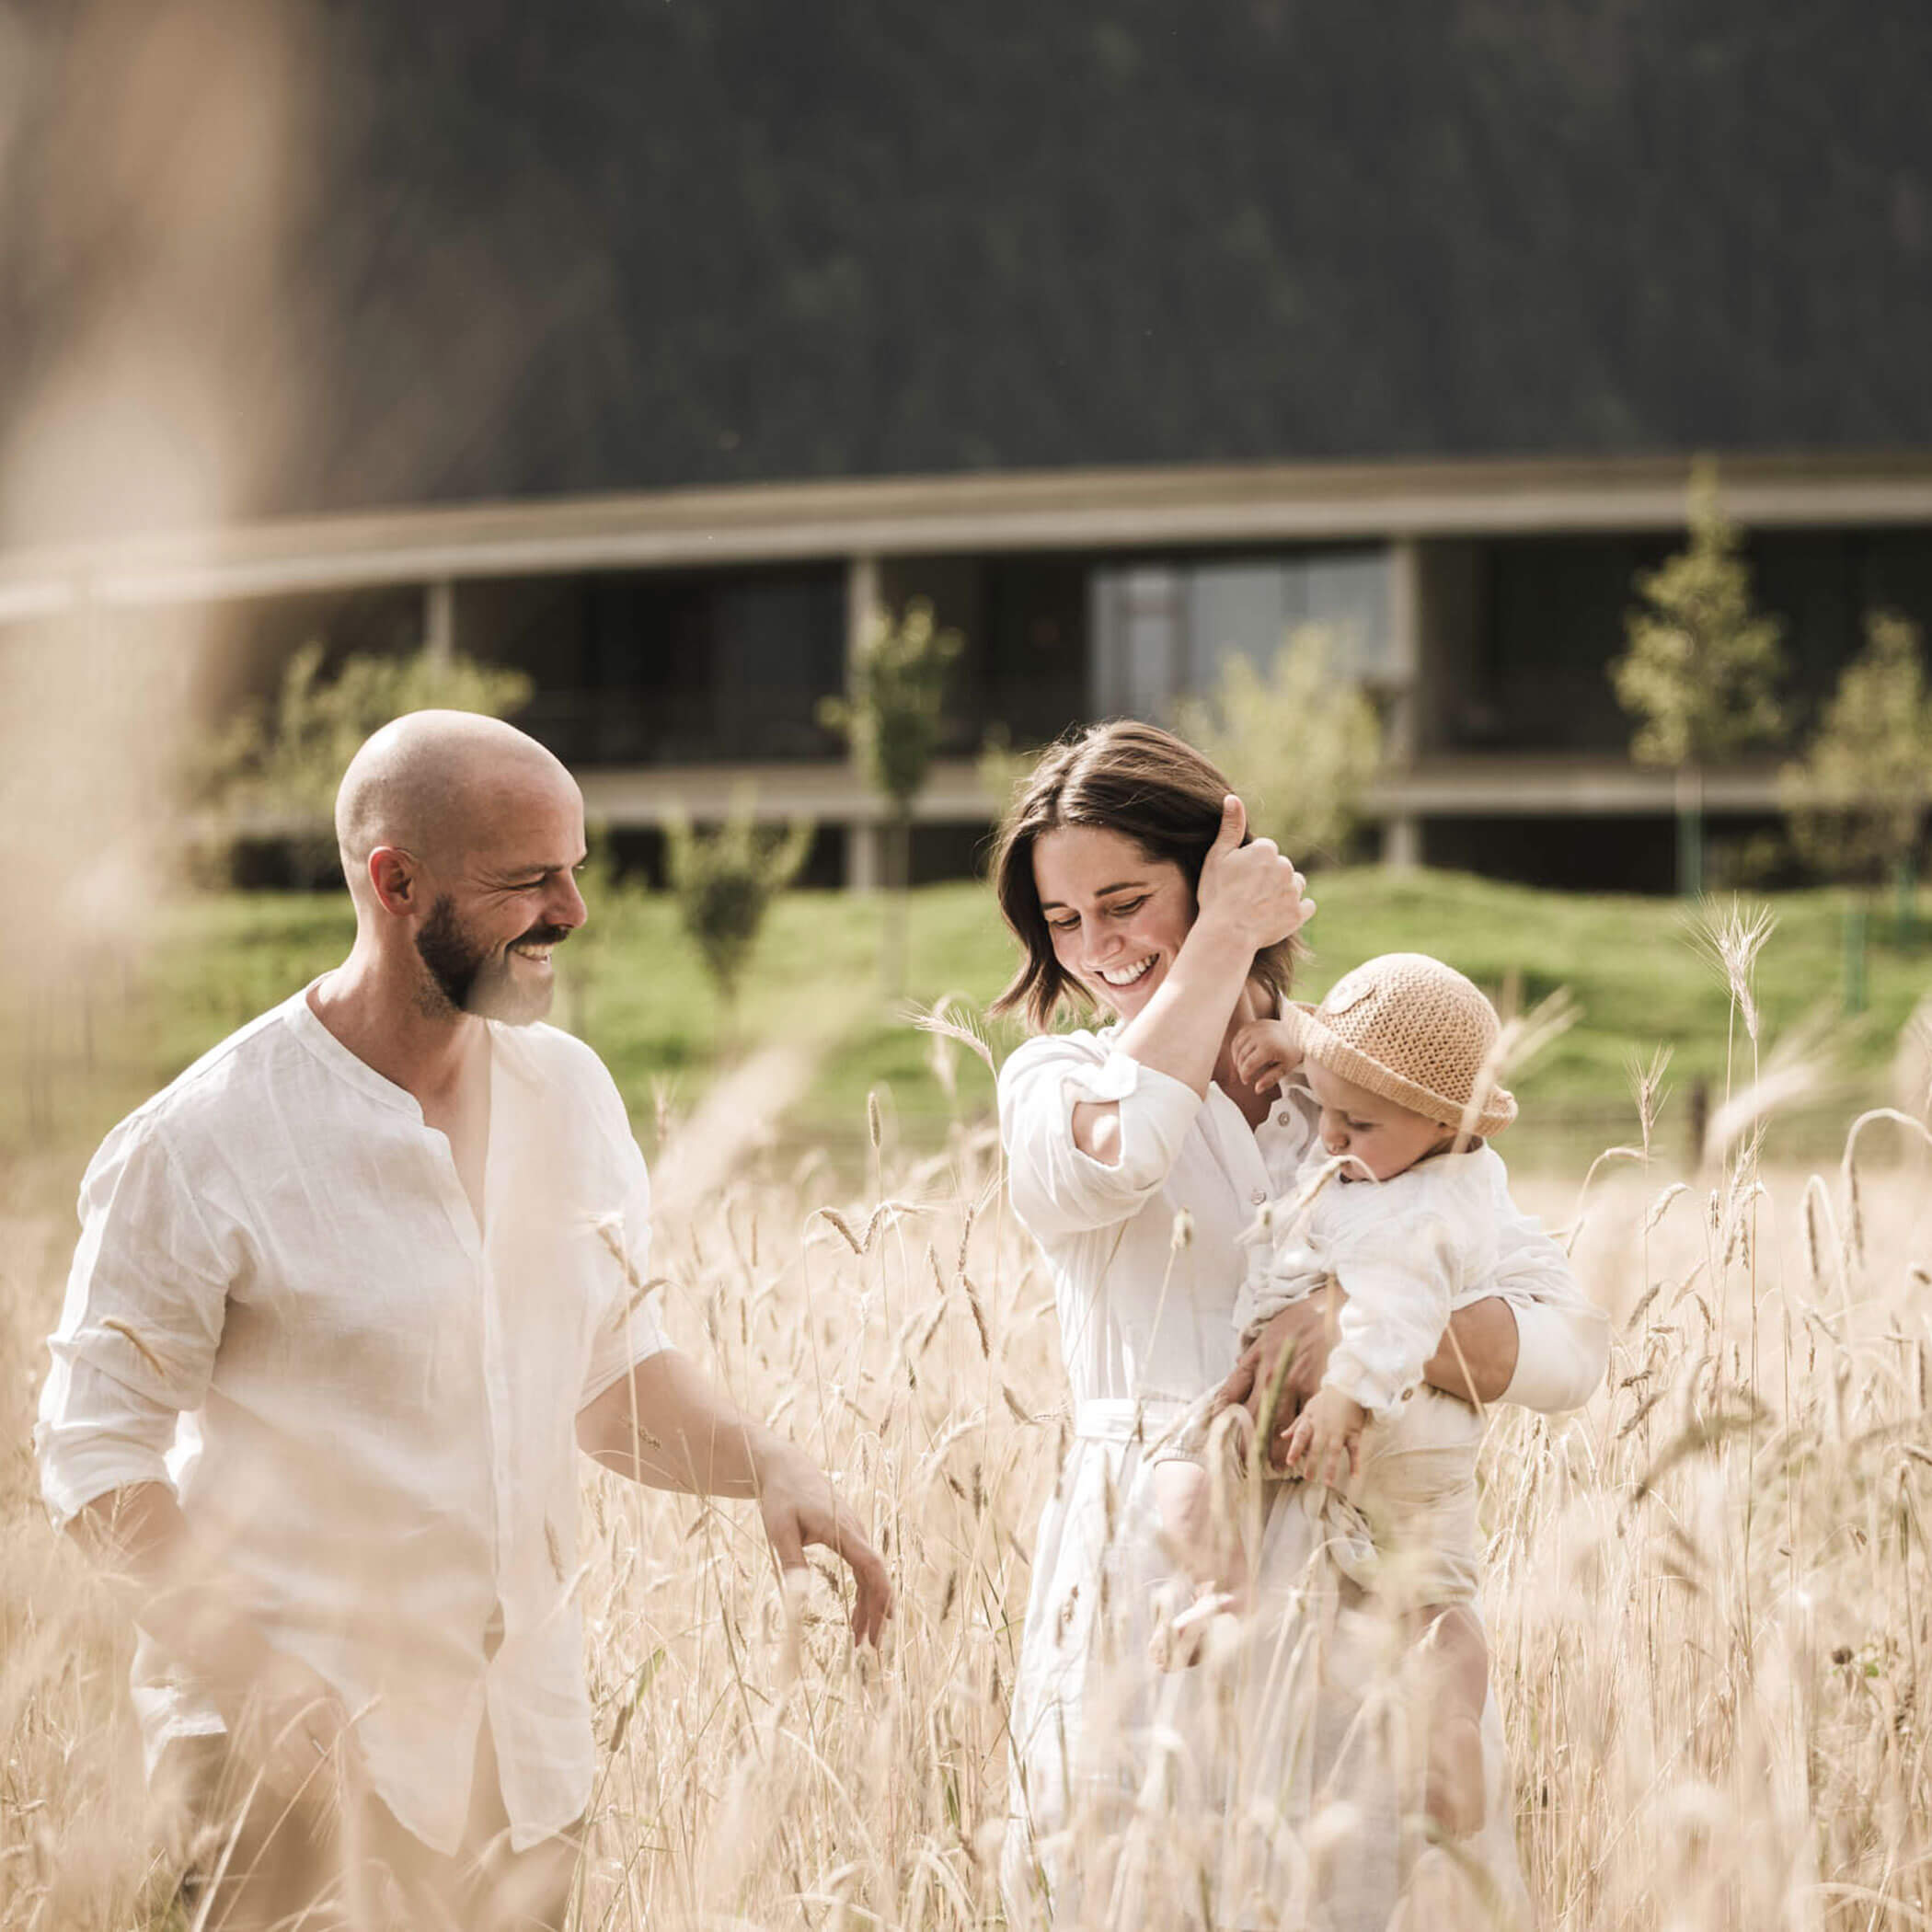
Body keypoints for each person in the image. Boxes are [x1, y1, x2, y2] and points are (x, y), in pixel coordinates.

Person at [36, 710, 891, 1930]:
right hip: (282, 1777)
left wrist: (774, 1468)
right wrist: (256, 1675)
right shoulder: (203, 1142)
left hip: (523, 1764)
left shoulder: (575, 1095)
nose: (573, 910)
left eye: (575, 869)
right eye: (528, 880)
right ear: (396, 883)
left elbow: (605, 1377)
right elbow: (93, 1452)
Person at [988, 721, 1608, 1931]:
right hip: (1165, 1573)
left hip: (1373, 1567)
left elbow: (1568, 1346)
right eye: (1064, 921)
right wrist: (1215, 944)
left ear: (1212, 866)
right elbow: (1128, 1158)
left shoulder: (1374, 1084)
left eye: (1126, 902)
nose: (1099, 948)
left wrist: (1355, 1322)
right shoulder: (1057, 1083)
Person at [1151, 951, 1532, 1843]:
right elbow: (1356, 1082)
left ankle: (1224, 1590)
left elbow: (1395, 1315)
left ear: (1443, 1125)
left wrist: (1344, 1403)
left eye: (1355, 1123)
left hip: (1379, 1409)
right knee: (1436, 1600)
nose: (1328, 1138)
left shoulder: (1415, 1214)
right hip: (1406, 1431)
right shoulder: (1419, 1154)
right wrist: (1297, 1044)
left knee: (1190, 1470)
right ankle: (1449, 1726)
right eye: (1325, 1106)